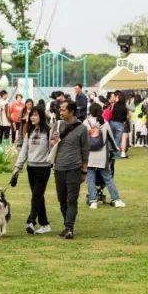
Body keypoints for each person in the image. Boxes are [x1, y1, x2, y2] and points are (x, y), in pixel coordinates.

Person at [50, 100, 89, 239]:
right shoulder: (57, 125)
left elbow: (85, 150)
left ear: (71, 111)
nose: (60, 112)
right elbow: (51, 146)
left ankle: (69, 227)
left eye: (63, 110)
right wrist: (54, 141)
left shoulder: (82, 129)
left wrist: (84, 171)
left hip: (74, 168)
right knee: (62, 200)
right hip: (59, 168)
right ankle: (67, 224)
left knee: (72, 199)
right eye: (60, 109)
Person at [11, 106, 52, 234]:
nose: (32, 117)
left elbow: (53, 150)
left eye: (35, 115)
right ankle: (44, 224)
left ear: (41, 116)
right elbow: (24, 151)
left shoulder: (49, 132)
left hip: (44, 168)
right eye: (31, 115)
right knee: (38, 196)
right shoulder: (30, 132)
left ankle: (31, 221)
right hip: (31, 168)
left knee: (36, 195)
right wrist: (17, 167)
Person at [84, 103, 126, 209]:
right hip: (102, 155)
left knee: (90, 178)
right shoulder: (104, 122)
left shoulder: (85, 122)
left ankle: (93, 201)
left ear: (90, 111)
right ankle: (116, 200)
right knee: (108, 177)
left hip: (89, 155)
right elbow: (111, 138)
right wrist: (116, 149)